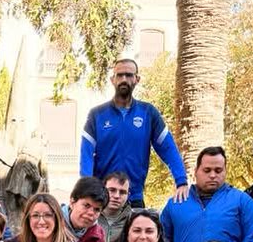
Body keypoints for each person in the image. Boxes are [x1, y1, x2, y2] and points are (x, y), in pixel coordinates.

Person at [79, 58, 188, 207]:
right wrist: (86, 186)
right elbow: (86, 153)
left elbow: (168, 148)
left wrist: (181, 180)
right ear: (112, 79)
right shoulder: (97, 114)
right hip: (102, 199)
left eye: (129, 75)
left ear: (137, 79)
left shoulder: (148, 113)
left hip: (134, 198)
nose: (124, 79)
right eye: (120, 75)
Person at [98, 171, 133, 242]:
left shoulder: (133, 220)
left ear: (128, 195)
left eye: (122, 192)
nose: (117, 196)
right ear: (102, 191)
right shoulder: (90, 217)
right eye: (112, 190)